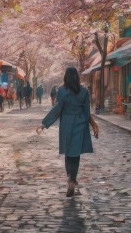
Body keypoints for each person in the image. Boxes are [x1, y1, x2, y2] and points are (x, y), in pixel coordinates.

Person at [36, 67, 99, 197]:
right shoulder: (84, 91)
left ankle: (70, 178)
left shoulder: (61, 91)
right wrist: (93, 125)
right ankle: (72, 180)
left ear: (65, 77)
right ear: (77, 76)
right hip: (80, 123)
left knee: (68, 152)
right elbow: (87, 112)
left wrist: (44, 124)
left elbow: (57, 109)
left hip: (66, 124)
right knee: (75, 154)